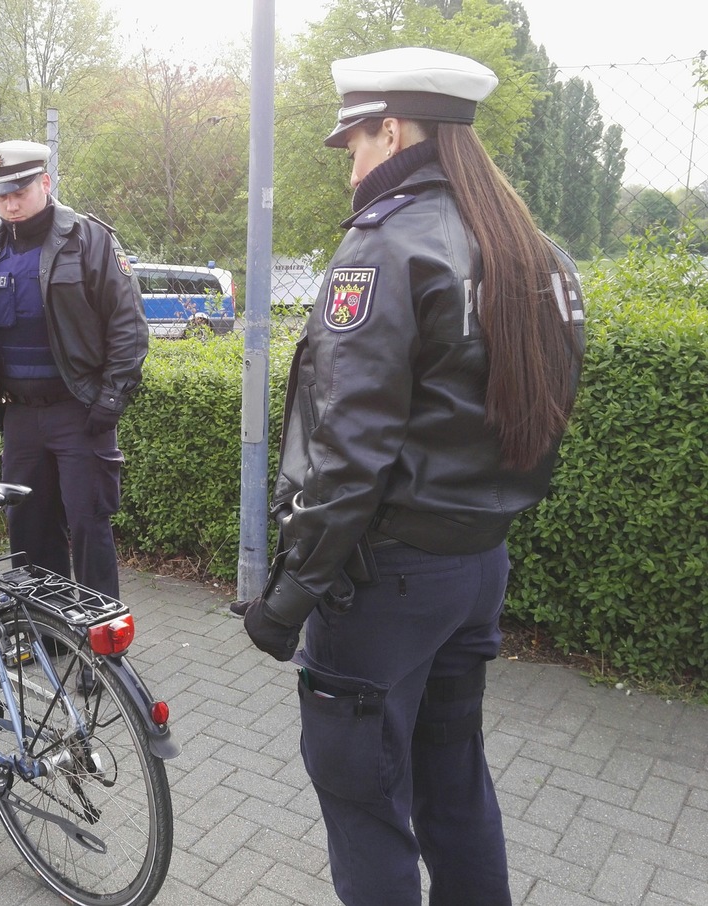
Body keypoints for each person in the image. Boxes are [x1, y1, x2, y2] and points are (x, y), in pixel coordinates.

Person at [239, 48, 586, 906]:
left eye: (353, 142)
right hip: (476, 568)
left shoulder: (383, 248)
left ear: (391, 128)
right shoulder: (531, 253)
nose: (351, 164)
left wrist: (286, 597)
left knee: (364, 803)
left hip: (386, 582)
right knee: (454, 785)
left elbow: (349, 455)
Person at [0, 139, 148, 600]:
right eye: (1, 196)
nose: (11, 204)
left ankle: (101, 648)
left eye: (20, 192)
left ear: (46, 183)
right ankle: (47, 632)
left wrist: (112, 398)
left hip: (80, 412)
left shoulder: (90, 240)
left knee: (89, 525)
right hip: (18, 418)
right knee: (29, 530)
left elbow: (128, 326)